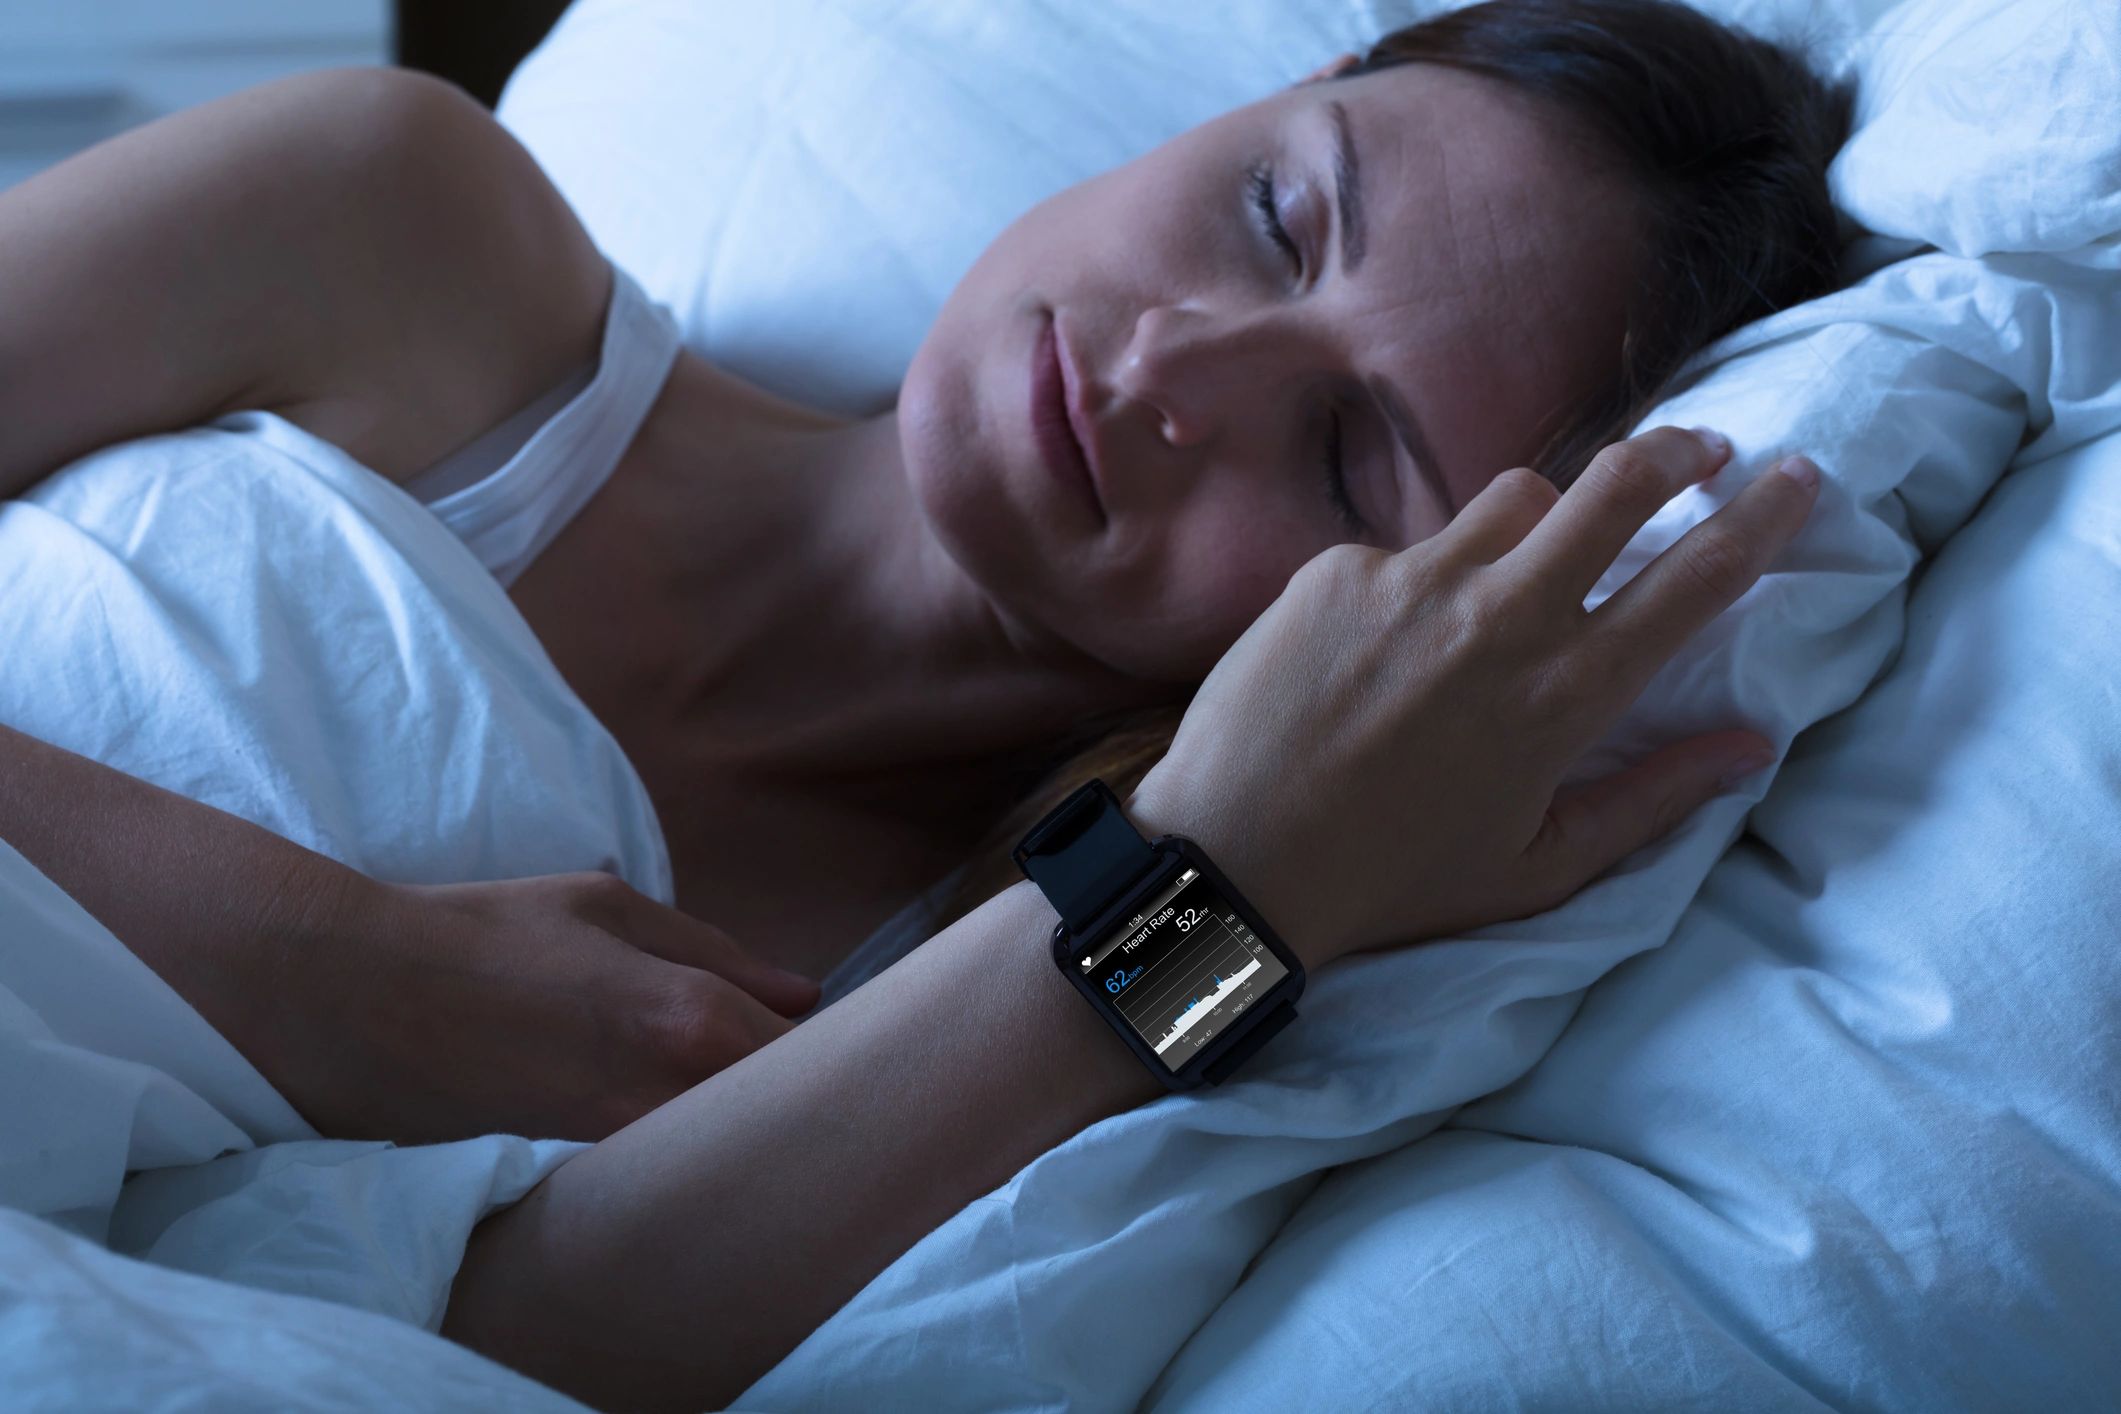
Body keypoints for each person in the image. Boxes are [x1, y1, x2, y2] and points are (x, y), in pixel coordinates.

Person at [0, 0, 1845, 1405]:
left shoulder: (973, 983)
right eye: (1276, 214)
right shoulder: (396, 229)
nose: (1171, 370)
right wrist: (333, 965)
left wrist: (1232, 878)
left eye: (1352, 458)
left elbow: (499, 1358)